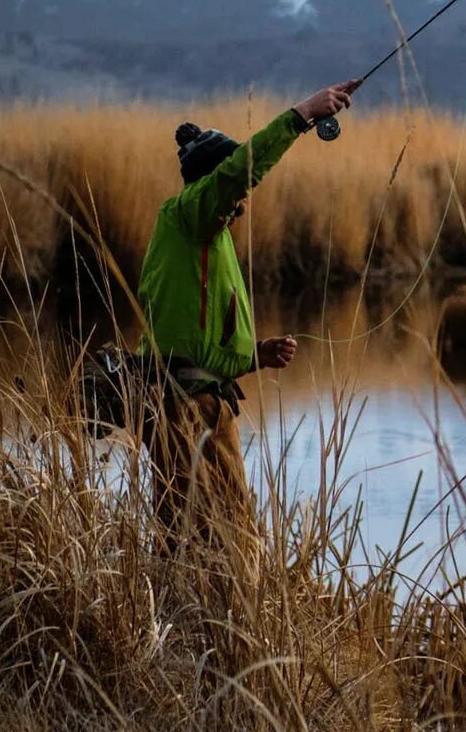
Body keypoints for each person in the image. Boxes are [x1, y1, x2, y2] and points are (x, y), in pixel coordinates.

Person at [133, 80, 358, 572]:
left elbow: (190, 339)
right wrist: (301, 115)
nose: (243, 202)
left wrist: (255, 355)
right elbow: (237, 174)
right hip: (185, 411)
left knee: (216, 543)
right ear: (212, 185)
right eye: (232, 191)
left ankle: (209, 634)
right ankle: (202, 636)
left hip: (201, 404)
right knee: (207, 543)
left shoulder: (206, 240)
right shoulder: (190, 214)